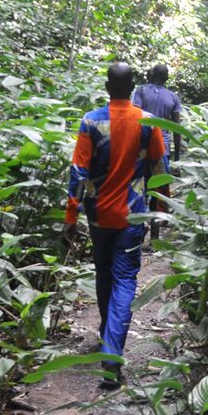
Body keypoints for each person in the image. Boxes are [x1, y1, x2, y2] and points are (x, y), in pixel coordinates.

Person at [64, 62, 166, 390]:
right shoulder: (148, 121)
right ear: (132, 87)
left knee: (105, 274)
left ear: (108, 87)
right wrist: (160, 211)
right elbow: (158, 167)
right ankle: (112, 355)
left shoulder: (91, 121)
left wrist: (70, 216)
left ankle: (109, 341)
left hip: (98, 216)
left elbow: (78, 172)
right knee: (124, 281)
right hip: (132, 216)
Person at [132, 64, 182, 241]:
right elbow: (176, 127)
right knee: (157, 190)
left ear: (150, 75)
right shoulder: (172, 97)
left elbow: (134, 116)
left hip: (141, 148)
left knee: (138, 188)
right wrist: (177, 155)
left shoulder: (140, 91)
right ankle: (154, 236)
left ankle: (138, 231)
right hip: (163, 149)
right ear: (167, 78)